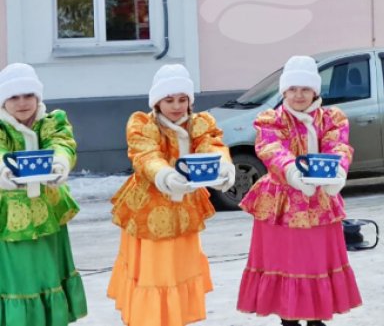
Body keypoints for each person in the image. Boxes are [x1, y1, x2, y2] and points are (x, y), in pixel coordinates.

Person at [108, 64, 237, 326]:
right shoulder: (143, 123)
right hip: (148, 214)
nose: (177, 106)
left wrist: (223, 167)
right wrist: (165, 175)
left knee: (178, 272)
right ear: (157, 101)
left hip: (183, 214)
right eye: (169, 100)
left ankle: (175, 319)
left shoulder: (200, 123)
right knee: (154, 274)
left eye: (182, 99)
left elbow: (211, 146)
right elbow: (145, 155)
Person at [237, 55, 362, 326]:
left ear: (316, 91)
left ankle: (316, 318)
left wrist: (337, 172)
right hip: (279, 204)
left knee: (315, 262)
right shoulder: (270, 119)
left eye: (305, 89)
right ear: (283, 91)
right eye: (292, 89)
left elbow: (338, 146)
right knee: (286, 264)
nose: (298, 95)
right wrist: (293, 172)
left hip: (320, 202)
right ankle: (288, 319)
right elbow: (270, 149)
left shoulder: (332, 118)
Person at [0, 62, 87, 326]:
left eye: (28, 95)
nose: (22, 102)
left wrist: (60, 164)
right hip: (9, 221)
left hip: (48, 217)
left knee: (46, 275)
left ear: (38, 96)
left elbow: (62, 144)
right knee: (19, 278)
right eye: (13, 96)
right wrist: (4, 172)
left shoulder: (51, 122)